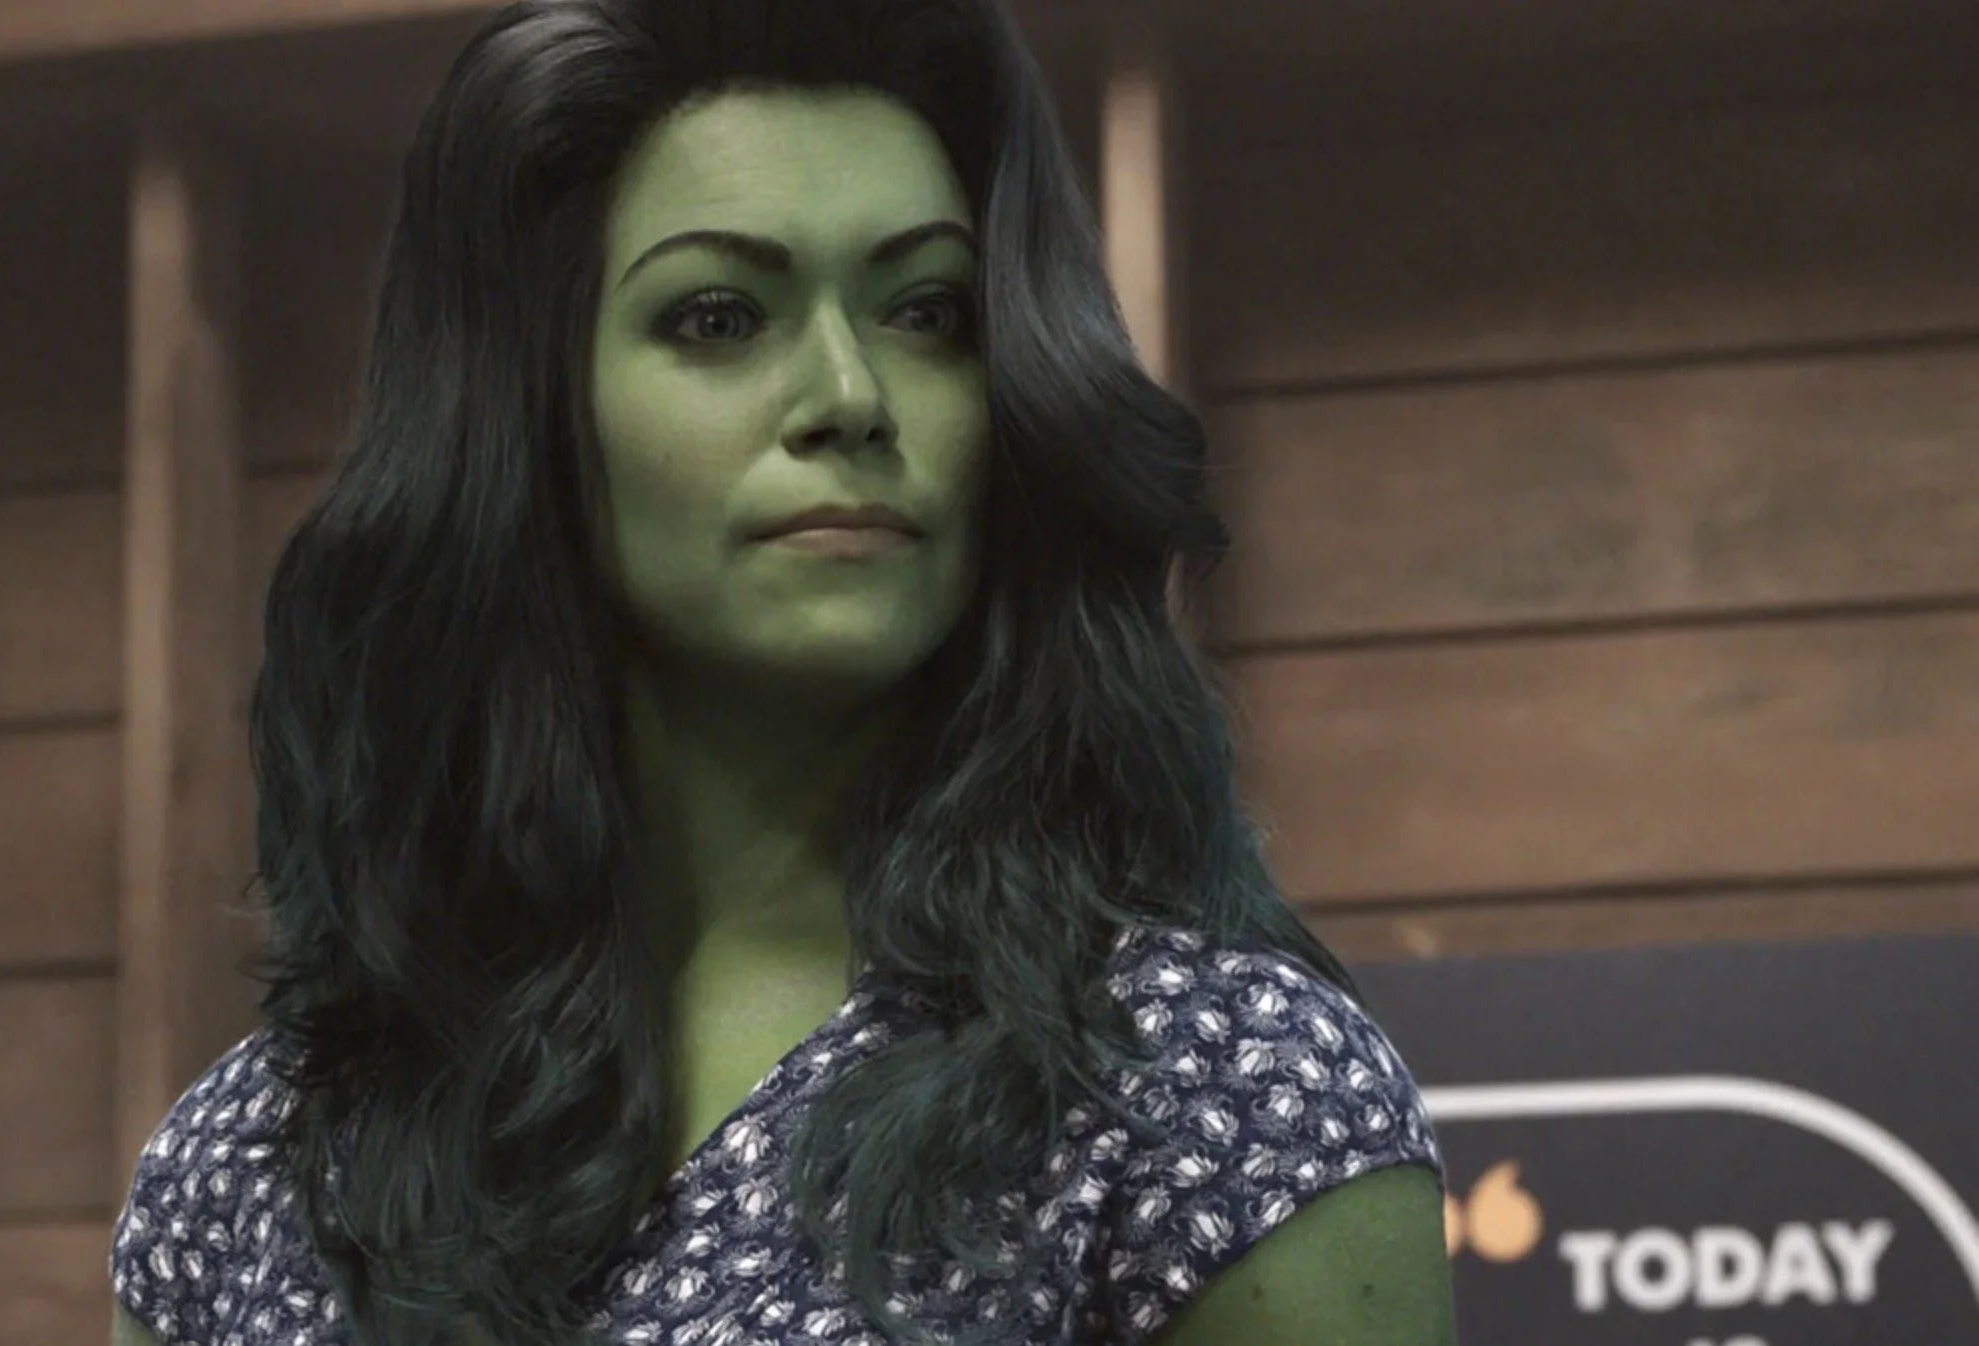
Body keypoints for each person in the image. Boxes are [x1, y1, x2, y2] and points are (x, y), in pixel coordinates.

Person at [109, 0, 1454, 1342]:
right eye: (718, 316)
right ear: (532, 409)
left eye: (928, 311)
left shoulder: (1212, 1089)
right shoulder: (252, 1170)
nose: (850, 394)